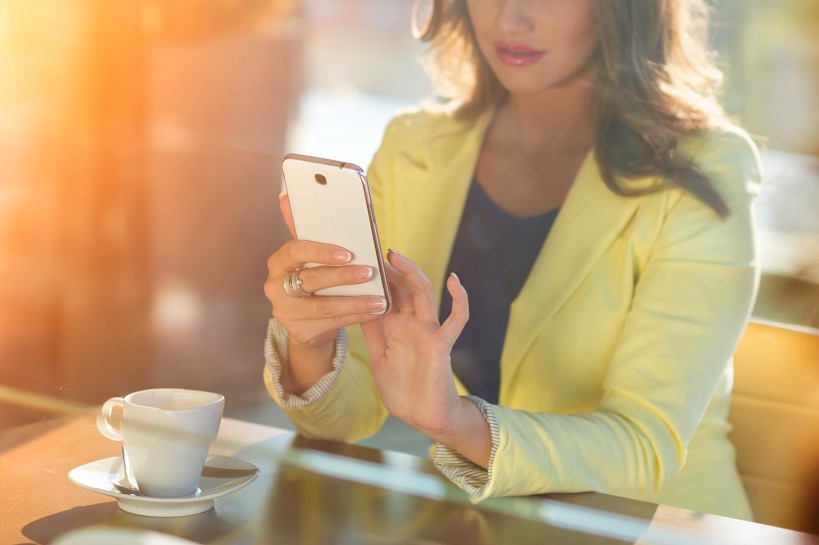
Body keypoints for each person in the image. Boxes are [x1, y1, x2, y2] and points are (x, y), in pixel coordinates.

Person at [263, 0, 760, 520]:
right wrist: (313, 344)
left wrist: (458, 423)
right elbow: (350, 413)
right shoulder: (416, 145)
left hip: (659, 526)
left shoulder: (705, 169)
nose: (511, 18)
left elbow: (643, 447)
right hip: (485, 524)